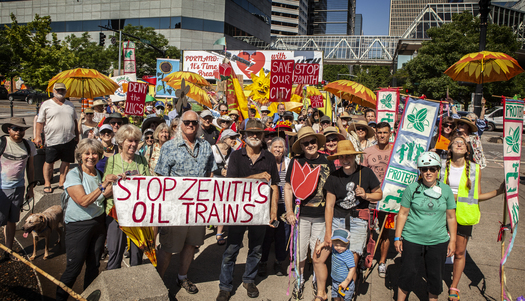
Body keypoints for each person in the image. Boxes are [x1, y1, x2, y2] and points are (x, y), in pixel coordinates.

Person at [155, 110, 217, 294]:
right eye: (187, 122)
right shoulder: (169, 147)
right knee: (168, 248)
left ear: (199, 125)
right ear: (180, 124)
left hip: (197, 208)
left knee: (191, 244)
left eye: (194, 122)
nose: (191, 125)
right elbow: (161, 177)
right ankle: (157, 283)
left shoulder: (205, 147)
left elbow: (210, 173)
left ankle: (182, 277)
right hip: (175, 209)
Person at [217, 119, 279, 301]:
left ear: (263, 136)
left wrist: (273, 211)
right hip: (238, 211)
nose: (254, 136)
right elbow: (232, 184)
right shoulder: (236, 156)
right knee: (231, 249)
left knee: (256, 248)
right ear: (244, 136)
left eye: (258, 133)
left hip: (260, 212)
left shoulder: (268, 157)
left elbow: (275, 185)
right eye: (250, 133)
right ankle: (225, 286)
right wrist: (256, 177)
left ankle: (249, 279)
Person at [315, 140, 382, 300]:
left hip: (358, 221)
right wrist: (328, 233)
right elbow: (329, 206)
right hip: (337, 219)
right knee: (318, 258)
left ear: (354, 156)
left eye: (348, 156)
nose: (345, 160)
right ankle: (321, 293)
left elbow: (379, 194)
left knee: (349, 262)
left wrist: (366, 195)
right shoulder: (334, 177)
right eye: (342, 157)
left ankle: (343, 296)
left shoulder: (365, 173)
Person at [441, 135, 505, 301]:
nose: (460, 144)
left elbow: (477, 196)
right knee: (437, 250)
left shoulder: (475, 169)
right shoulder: (441, 167)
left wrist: (498, 192)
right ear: (450, 148)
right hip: (440, 213)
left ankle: (454, 286)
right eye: (456, 142)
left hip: (464, 215)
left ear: (467, 149)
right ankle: (433, 278)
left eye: (463, 143)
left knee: (459, 252)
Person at [55, 139, 118, 301]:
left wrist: (120, 181)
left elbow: (102, 196)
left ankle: (87, 297)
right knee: (73, 268)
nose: (91, 156)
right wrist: (103, 185)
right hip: (78, 226)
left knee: (94, 265)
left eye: (95, 153)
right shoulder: (73, 174)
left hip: (98, 224)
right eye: (87, 153)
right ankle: (60, 297)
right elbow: (83, 201)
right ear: (80, 156)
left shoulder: (98, 173)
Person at [394, 152, 457, 301]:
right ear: (420, 171)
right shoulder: (412, 188)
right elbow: (402, 213)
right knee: (408, 273)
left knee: (435, 275)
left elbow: (451, 216)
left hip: (438, 240)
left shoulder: (446, 190)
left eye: (432, 169)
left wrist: (453, 240)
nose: (428, 173)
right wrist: (398, 237)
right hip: (412, 238)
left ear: (438, 170)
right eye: (424, 169)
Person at [284, 126, 336, 299]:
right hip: (301, 216)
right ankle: (299, 281)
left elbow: (333, 189)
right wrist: (289, 211)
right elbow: (288, 187)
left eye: (312, 141)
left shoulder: (328, 160)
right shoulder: (295, 161)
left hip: (322, 216)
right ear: (301, 146)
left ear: (317, 142)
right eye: (305, 143)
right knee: (300, 252)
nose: (310, 145)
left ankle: (316, 279)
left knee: (317, 252)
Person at [103, 125, 149, 270]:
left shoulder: (141, 160)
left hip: (137, 212)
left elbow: (150, 188)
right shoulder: (112, 161)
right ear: (121, 142)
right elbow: (105, 192)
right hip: (115, 212)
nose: (133, 144)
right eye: (130, 141)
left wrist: (142, 180)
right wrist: (116, 181)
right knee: (115, 252)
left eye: (136, 141)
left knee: (137, 253)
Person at [0, 118, 36, 261]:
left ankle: (8, 250)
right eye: (15, 128)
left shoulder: (29, 146)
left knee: (12, 220)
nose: (19, 132)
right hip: (2, 188)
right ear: (9, 129)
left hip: (18, 188)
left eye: (22, 129)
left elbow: (31, 167)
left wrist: (30, 188)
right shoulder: (3, 143)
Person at [361, 122, 393, 278]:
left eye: (385, 133)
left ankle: (382, 262)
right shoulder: (367, 152)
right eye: (379, 132)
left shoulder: (396, 151)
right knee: (369, 230)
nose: (382, 135)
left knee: (385, 232)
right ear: (375, 134)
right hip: (372, 198)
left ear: (390, 134)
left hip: (389, 199)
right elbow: (362, 174)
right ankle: (367, 258)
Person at [35, 82, 79, 193]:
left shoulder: (70, 104)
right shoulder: (46, 104)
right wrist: (37, 136)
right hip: (52, 139)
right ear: (53, 91)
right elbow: (40, 122)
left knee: (66, 162)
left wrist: (77, 135)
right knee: (49, 162)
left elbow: (74, 121)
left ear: (65, 91)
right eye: (58, 90)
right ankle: (47, 182)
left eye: (62, 90)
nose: (60, 92)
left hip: (69, 139)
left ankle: (62, 181)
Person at [259, 137, 291, 277]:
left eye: (280, 147)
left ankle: (279, 262)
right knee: (266, 235)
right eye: (275, 147)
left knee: (283, 235)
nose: (278, 149)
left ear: (284, 149)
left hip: (285, 205)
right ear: (270, 148)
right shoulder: (265, 162)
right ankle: (262, 262)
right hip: (268, 205)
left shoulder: (289, 163)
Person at [314, 228, 356, 301]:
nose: (339, 248)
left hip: (345, 283)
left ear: (347, 243)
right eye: (336, 245)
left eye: (342, 246)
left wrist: (346, 281)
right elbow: (327, 242)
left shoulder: (348, 255)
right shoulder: (334, 248)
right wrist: (320, 246)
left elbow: (352, 269)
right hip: (335, 281)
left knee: (344, 299)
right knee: (335, 298)